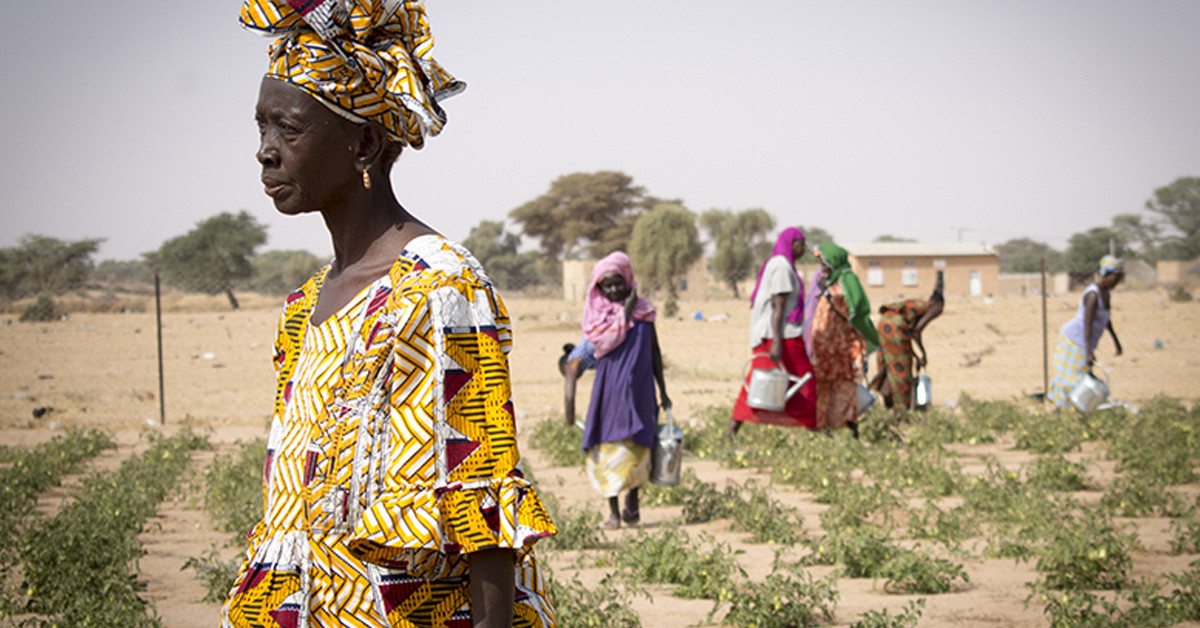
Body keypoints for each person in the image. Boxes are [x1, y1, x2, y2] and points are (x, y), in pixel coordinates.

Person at [222, 2, 557, 627]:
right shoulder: (304, 307)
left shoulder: (438, 288)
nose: (266, 152)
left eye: (290, 130)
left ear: (366, 143)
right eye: (261, 128)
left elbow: (479, 485)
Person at [579, 252, 671, 529]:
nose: (614, 290)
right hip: (610, 393)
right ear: (599, 288)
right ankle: (613, 512)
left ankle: (633, 504)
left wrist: (663, 390)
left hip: (642, 391)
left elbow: (655, 353)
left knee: (639, 446)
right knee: (610, 447)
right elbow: (600, 345)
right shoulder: (599, 319)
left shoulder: (646, 314)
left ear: (629, 282)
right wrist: (625, 313)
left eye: (619, 283)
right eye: (607, 285)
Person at [728, 227, 818, 438]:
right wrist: (776, 343)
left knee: (764, 383)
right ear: (792, 243)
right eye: (801, 244)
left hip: (780, 334)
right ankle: (813, 431)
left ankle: (809, 429)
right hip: (779, 336)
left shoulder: (782, 264)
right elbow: (778, 307)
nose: (803, 249)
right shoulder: (781, 267)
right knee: (803, 380)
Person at [809, 243, 880, 436]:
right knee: (823, 392)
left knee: (844, 394)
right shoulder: (830, 282)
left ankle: (850, 432)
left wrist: (831, 294)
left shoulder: (847, 280)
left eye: (825, 264)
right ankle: (823, 432)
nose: (822, 269)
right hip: (825, 351)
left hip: (842, 351)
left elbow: (854, 309)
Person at [1048, 255, 1125, 407]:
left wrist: (1116, 341)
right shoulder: (1093, 295)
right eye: (1115, 278)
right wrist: (1089, 352)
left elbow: (1106, 320)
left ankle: (1075, 409)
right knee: (1070, 378)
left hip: (1085, 342)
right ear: (1106, 275)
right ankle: (1060, 410)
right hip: (1074, 340)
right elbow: (1087, 324)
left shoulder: (1105, 294)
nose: (1116, 282)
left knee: (1081, 378)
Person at [870, 273, 945, 413]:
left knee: (888, 365)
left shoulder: (916, 304)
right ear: (938, 304)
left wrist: (916, 355)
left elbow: (910, 334)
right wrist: (923, 354)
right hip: (896, 329)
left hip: (884, 326)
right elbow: (916, 332)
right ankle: (901, 411)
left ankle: (887, 404)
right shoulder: (933, 308)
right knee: (901, 371)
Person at [559, 339, 597, 427]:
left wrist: (570, 425)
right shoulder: (586, 360)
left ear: (565, 366)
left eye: (566, 375)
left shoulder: (572, 360)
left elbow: (569, 398)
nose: (573, 378)